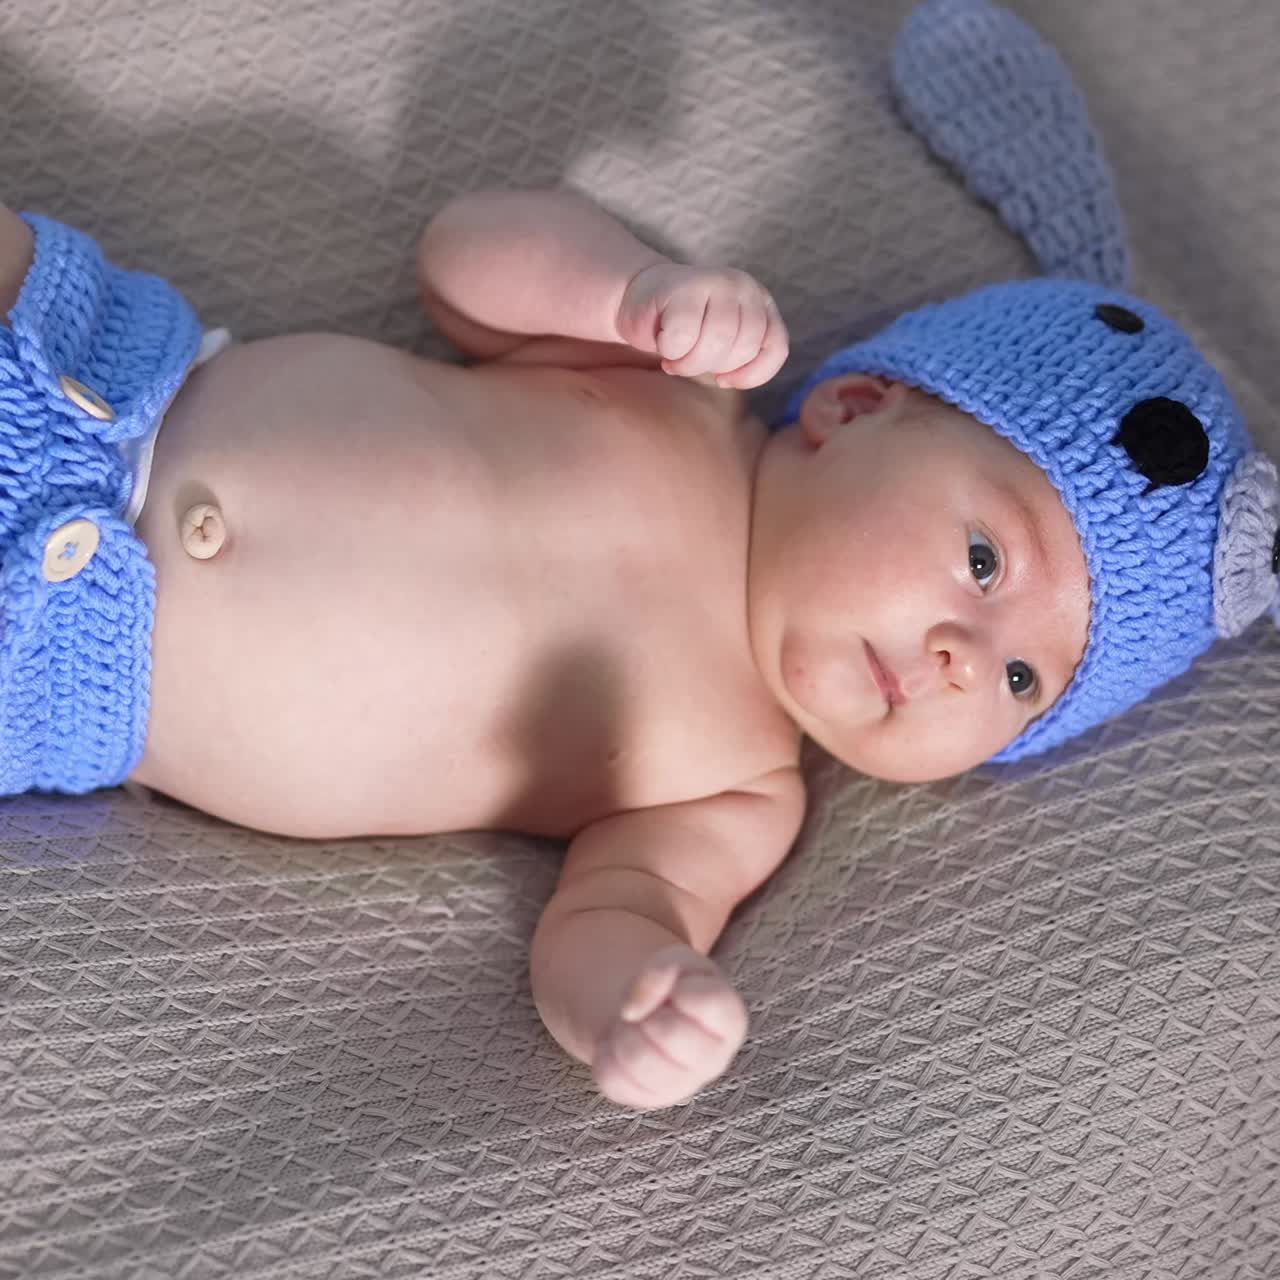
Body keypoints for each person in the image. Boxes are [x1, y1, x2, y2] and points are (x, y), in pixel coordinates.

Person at [0, 0, 1274, 1110]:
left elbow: (605, 920)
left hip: (64, 672)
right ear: (855, 409)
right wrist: (622, 287)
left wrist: (633, 1003)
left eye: (1019, 686)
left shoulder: (734, 792)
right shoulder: (683, 388)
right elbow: (462, 264)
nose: (960, 659)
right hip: (99, 375)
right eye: (986, 562)